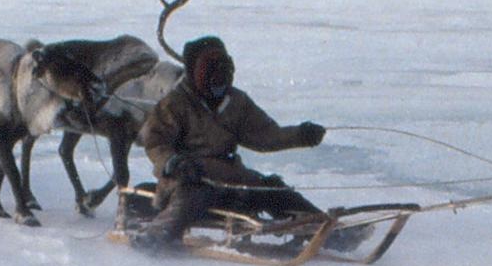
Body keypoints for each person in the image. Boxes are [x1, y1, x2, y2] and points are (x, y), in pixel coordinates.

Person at [133, 35, 343, 251]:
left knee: (273, 190)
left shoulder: (237, 103)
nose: (218, 77)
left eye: (224, 68)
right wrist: (172, 162)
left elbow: (266, 134)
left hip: (231, 178)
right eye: (210, 69)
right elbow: (155, 141)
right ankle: (154, 237)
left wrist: (300, 135)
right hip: (189, 178)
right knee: (189, 198)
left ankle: (329, 232)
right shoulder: (175, 104)